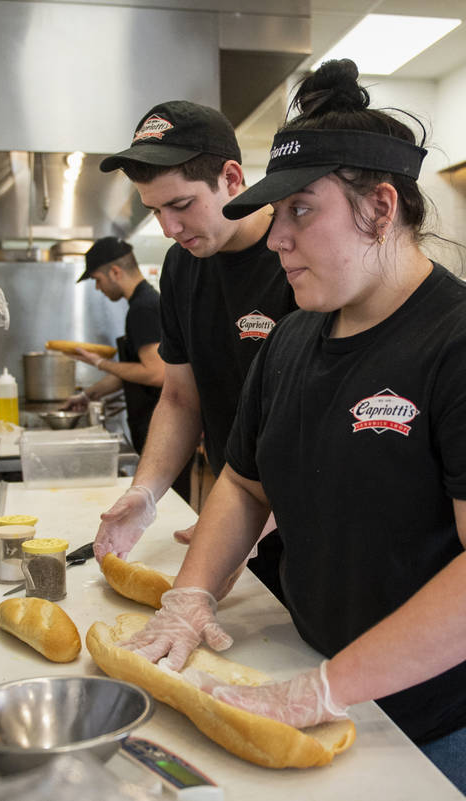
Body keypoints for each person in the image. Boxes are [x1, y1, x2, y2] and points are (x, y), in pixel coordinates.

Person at [122, 60, 466, 801]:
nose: (277, 239)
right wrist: (193, 596)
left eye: (301, 212)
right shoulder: (292, 340)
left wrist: (323, 687)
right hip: (348, 679)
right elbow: (244, 485)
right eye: (273, 215)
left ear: (380, 208)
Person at [92, 101, 296, 602]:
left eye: (181, 205)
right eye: (155, 210)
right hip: (240, 508)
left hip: (304, 517)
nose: (168, 228)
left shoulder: (297, 255)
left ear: (231, 178)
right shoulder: (182, 269)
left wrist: (260, 513)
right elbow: (181, 398)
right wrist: (146, 492)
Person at [62, 238, 164, 459]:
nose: (98, 288)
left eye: (97, 280)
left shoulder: (143, 309)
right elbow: (132, 372)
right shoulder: (143, 303)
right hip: (153, 425)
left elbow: (156, 373)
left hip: (160, 428)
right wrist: (87, 395)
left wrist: (98, 362)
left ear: (115, 272)